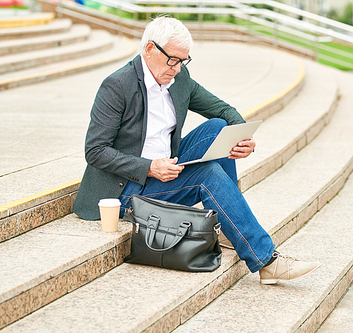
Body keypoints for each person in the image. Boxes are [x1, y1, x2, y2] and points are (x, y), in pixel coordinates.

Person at [73, 16, 321, 284]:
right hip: (126, 190)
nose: (178, 68)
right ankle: (266, 260)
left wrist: (242, 137)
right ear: (149, 50)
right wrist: (149, 167)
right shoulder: (117, 86)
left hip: (167, 169)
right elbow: (95, 150)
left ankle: (230, 224)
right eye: (173, 60)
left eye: (183, 61)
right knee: (209, 174)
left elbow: (223, 110)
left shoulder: (179, 79)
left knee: (217, 126)